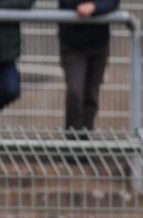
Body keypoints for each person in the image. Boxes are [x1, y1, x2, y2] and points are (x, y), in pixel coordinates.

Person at [58, 0, 119, 133]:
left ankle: (86, 142)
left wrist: (95, 6)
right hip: (72, 45)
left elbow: (112, 3)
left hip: (98, 44)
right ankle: (72, 143)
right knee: (75, 92)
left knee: (91, 95)